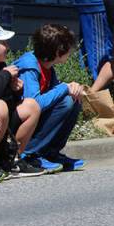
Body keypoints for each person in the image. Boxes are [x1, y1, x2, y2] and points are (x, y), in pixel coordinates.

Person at [12, 24, 86, 172]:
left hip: (32, 119)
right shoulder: (30, 65)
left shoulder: (47, 66)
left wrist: (70, 89)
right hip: (16, 122)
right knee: (66, 101)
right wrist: (64, 87)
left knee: (73, 99)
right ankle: (30, 154)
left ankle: (50, 153)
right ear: (59, 51)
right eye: (69, 48)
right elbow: (34, 103)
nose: (71, 51)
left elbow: (51, 95)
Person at [0, 22, 44, 177]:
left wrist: (15, 90)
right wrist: (5, 76)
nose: (8, 46)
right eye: (3, 43)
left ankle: (12, 158)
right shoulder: (3, 71)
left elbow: (9, 101)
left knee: (31, 105)